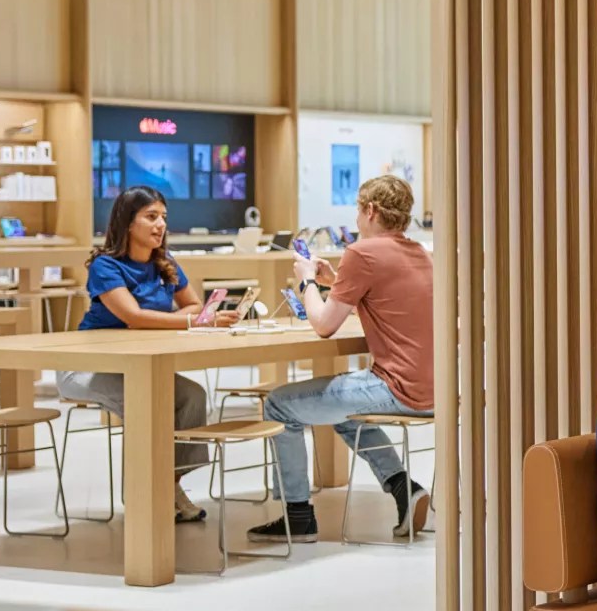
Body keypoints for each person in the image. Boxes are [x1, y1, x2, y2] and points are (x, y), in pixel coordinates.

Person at [249, 175, 434, 544]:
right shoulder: (420, 253)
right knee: (341, 411)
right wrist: (337, 282)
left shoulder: (362, 252)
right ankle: (402, 487)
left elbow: (323, 325)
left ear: (370, 210)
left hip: (395, 388)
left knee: (280, 405)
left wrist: (307, 283)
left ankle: (297, 515)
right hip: (435, 389)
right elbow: (377, 298)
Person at [57, 186, 235, 523]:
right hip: (86, 367)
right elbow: (134, 317)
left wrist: (195, 318)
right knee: (149, 401)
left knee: (192, 396)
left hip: (137, 364)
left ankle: (167, 484)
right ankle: (150, 495)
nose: (160, 225)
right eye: (151, 217)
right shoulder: (105, 266)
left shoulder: (165, 263)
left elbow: (194, 304)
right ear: (127, 223)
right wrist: (192, 321)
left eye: (164, 218)